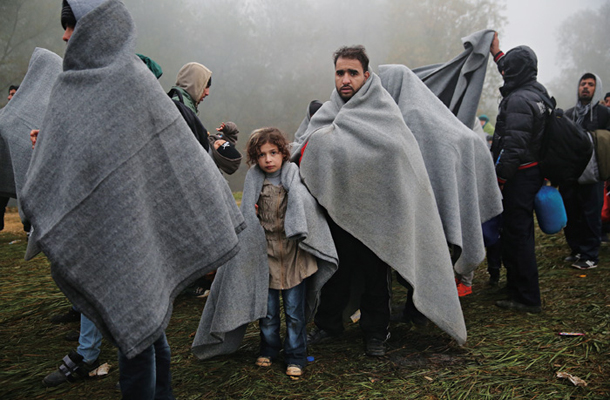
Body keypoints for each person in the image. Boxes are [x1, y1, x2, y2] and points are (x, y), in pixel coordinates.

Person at [23, 1, 243, 398]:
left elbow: (184, 161)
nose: (64, 35)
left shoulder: (135, 82)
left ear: (97, 28)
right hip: (103, 225)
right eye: (64, 26)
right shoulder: (71, 85)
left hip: (136, 226)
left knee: (141, 330)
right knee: (143, 328)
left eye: (72, 25)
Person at [296, 46, 465, 356]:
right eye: (340, 73)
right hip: (337, 212)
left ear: (367, 75)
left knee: (376, 277)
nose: (345, 79)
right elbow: (304, 147)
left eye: (352, 73)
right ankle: (328, 326)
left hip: (380, 218)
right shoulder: (328, 112)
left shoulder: (385, 112)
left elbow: (398, 155)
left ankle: (376, 333)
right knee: (335, 271)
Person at [489, 33, 546, 313]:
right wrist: (496, 54)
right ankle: (517, 285)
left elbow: (513, 147)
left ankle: (526, 297)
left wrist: (499, 179)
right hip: (531, 172)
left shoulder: (519, 101)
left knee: (517, 234)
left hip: (519, 175)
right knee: (518, 232)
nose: (505, 73)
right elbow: (512, 70)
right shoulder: (537, 92)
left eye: (508, 69)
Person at [560, 73, 610, 270]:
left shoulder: (604, 114)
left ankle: (590, 255)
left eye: (591, 84)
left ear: (596, 89)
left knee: (591, 214)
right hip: (571, 173)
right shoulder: (568, 114)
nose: (586, 87)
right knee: (571, 212)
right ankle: (577, 249)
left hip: (593, 173)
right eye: (583, 84)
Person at [168, 63, 242, 175]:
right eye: (205, 86)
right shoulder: (181, 108)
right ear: (194, 83)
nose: (207, 93)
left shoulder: (182, 104)